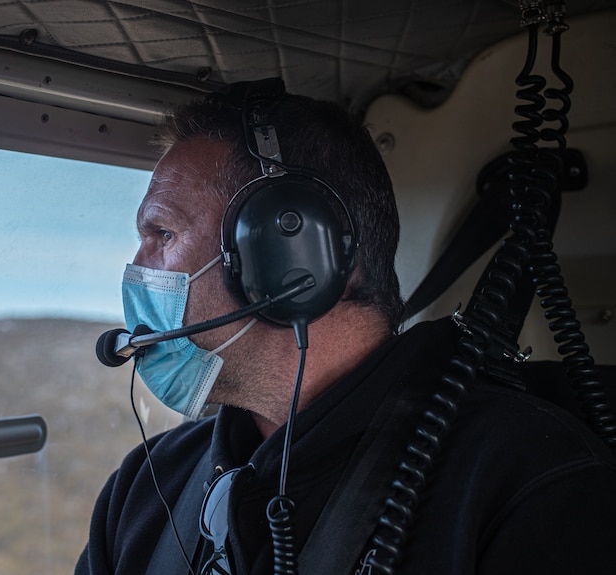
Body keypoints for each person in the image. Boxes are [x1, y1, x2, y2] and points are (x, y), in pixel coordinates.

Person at [76, 78, 616, 575]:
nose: (137, 270)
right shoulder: (147, 484)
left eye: (162, 233)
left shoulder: (529, 481)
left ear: (291, 254)